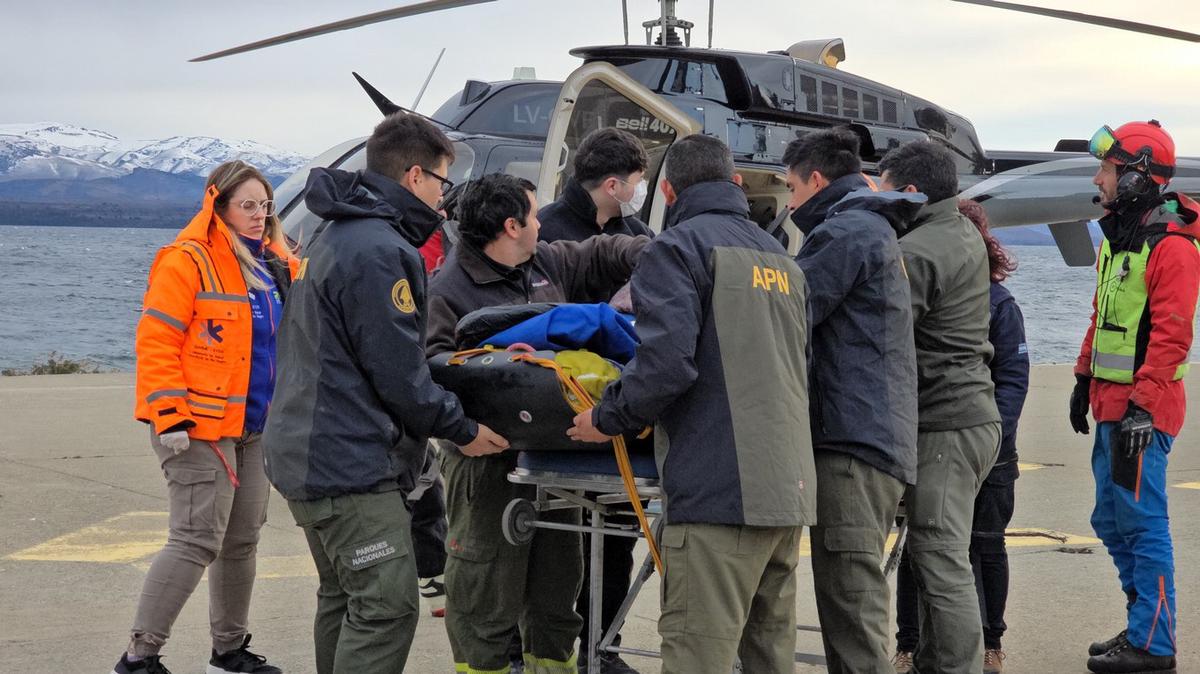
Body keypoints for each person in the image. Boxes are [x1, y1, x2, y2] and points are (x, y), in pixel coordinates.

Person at [262, 113, 508, 674]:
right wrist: (462, 429)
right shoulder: (378, 249)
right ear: (415, 176)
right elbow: (399, 372)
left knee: (344, 598)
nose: (445, 199)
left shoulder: (338, 232)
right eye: (443, 182)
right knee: (385, 608)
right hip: (345, 463)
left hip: (305, 450)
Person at [569, 135, 815, 674]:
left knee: (695, 653)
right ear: (734, 184)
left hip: (717, 494)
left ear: (672, 190)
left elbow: (665, 366)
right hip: (786, 489)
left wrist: (606, 418)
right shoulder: (784, 260)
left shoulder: (675, 249)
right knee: (770, 655)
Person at [425, 171, 649, 674]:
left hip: (552, 456)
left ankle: (552, 665)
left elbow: (600, 252)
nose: (541, 224)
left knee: (557, 582)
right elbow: (431, 374)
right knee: (485, 584)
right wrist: (462, 432)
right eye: (532, 214)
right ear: (510, 226)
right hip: (485, 460)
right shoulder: (447, 290)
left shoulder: (545, 259)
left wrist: (657, 253)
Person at [119, 160, 297, 674]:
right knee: (195, 540)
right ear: (217, 206)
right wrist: (169, 415)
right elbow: (156, 342)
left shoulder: (274, 263)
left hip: (254, 428)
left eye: (265, 205)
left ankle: (229, 649)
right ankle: (139, 656)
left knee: (241, 541)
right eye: (247, 205)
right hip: (196, 430)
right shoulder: (186, 261)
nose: (259, 214)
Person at [786, 128, 921, 673]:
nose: (790, 203)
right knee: (852, 596)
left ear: (816, 180)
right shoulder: (871, 228)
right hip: (871, 434)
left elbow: (788, 313)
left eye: (791, 189)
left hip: (852, 445)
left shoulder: (845, 234)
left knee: (851, 601)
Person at [1070, 120, 1199, 674]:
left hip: (1142, 411)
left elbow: (1172, 332)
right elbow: (1104, 316)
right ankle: (1143, 621)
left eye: (1107, 169)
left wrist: (1144, 405)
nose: (1099, 178)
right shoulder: (1122, 237)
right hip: (1112, 405)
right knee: (1110, 518)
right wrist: (1081, 377)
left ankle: (1154, 642)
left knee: (1142, 523)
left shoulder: (1171, 245)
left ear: (1136, 177)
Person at [878, 140, 1002, 674]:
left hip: (946, 423)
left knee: (938, 554)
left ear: (911, 192)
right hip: (971, 416)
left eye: (883, 190)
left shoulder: (919, 250)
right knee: (936, 553)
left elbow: (879, 331)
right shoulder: (961, 232)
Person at [893, 200, 1030, 674]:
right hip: (940, 435)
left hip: (982, 443)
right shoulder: (936, 294)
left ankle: (990, 643)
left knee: (984, 544)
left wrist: (994, 432)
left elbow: (1013, 376)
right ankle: (908, 644)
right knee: (922, 547)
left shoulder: (999, 304)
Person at [537, 127, 654, 674]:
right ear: (613, 183)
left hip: (618, 410)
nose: (640, 189)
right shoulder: (548, 234)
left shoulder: (637, 235)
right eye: (636, 181)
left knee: (618, 538)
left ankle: (602, 647)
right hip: (559, 409)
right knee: (556, 542)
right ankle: (545, 647)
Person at [537, 127, 653, 244]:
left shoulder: (638, 233)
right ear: (612, 186)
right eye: (639, 180)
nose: (642, 187)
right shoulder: (543, 233)